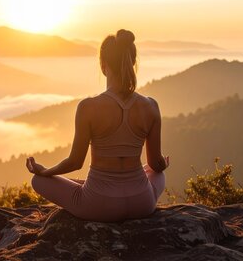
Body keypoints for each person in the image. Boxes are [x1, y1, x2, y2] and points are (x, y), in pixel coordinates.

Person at [26, 29, 169, 222]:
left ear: (103, 65)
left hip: (99, 205)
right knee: (155, 173)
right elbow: (155, 164)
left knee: (38, 181)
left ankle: (83, 186)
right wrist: (163, 164)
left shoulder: (88, 107)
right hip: (142, 203)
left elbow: (75, 162)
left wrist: (45, 171)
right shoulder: (151, 106)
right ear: (133, 62)